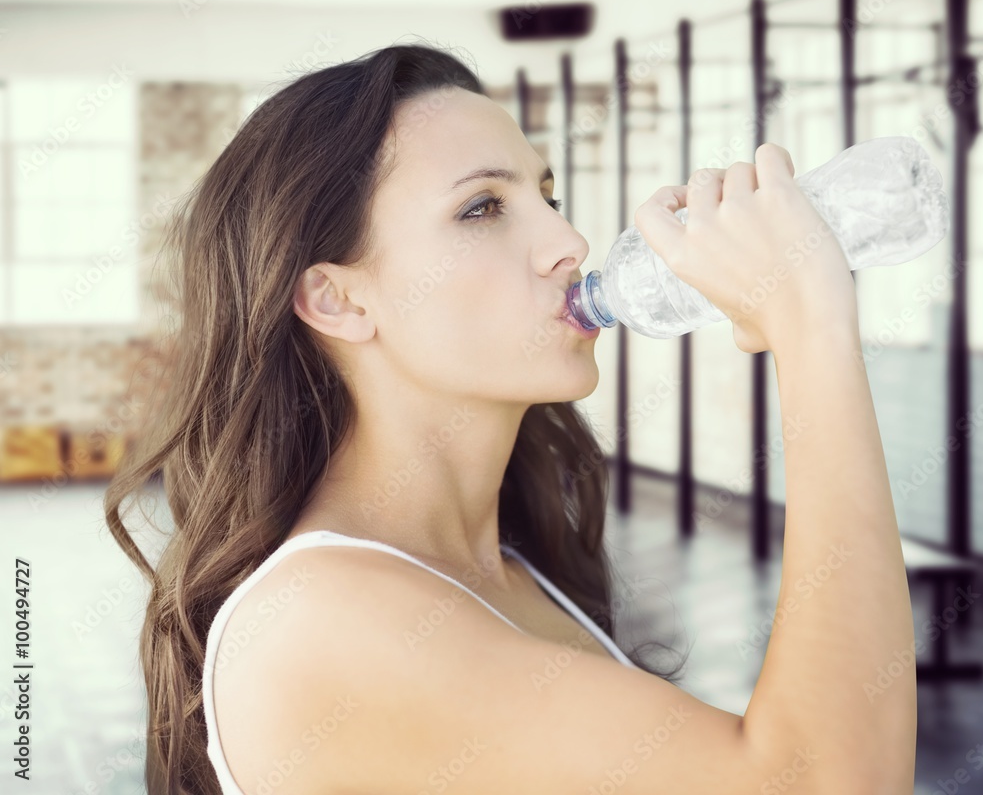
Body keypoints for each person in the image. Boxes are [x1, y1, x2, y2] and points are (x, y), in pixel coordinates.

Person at [104, 42, 916, 795]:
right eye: (483, 208)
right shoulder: (323, 617)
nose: (569, 240)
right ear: (338, 297)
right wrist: (812, 330)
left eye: (548, 193)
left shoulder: (504, 568)